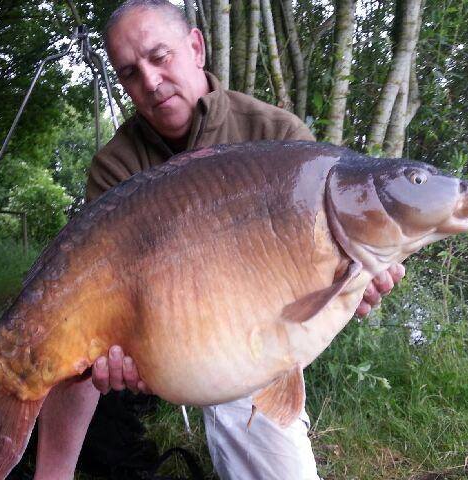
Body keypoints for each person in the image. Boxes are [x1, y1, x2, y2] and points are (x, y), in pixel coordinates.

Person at [34, 1, 405, 479]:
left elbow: (313, 292)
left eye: (159, 56)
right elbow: (94, 280)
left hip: (250, 336)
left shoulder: (278, 136)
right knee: (66, 328)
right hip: (153, 322)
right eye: (130, 72)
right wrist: (122, 349)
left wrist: (353, 285)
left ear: (195, 47)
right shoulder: (116, 164)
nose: (149, 80)